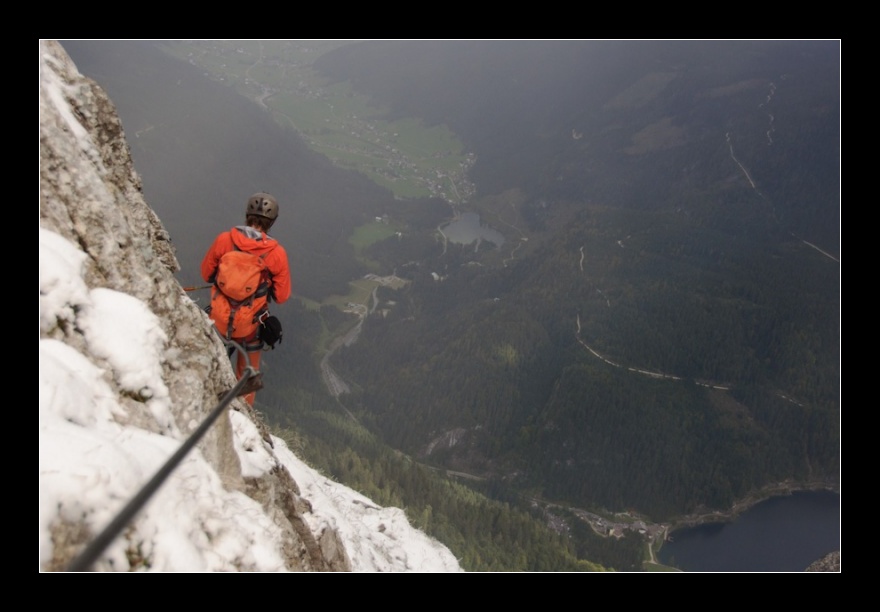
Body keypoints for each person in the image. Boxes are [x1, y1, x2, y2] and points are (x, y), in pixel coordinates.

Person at [201, 192, 291, 405]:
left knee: (211, 362)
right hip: (250, 328)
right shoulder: (276, 254)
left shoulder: (225, 240)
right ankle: (244, 415)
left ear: (247, 216)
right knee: (248, 375)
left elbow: (206, 274)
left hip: (217, 320)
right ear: (272, 222)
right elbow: (281, 296)